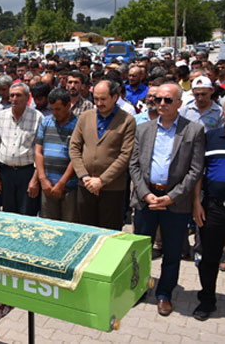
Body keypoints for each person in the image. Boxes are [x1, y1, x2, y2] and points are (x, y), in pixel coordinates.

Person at [129, 82, 205, 317]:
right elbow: (134, 164)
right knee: (141, 251)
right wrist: (145, 193)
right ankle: (139, 289)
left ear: (179, 104)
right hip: (146, 198)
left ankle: (164, 294)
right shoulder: (143, 129)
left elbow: (195, 170)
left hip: (175, 202)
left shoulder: (193, 130)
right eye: (158, 99)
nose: (161, 104)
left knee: (172, 253)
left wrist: (171, 197)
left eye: (167, 100)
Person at [192, 90, 225, 328]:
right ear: (223, 112)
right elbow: (199, 175)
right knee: (209, 259)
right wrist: (196, 204)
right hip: (212, 208)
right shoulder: (211, 138)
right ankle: (207, 300)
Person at [69, 79, 136, 230]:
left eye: (103, 99)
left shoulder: (127, 121)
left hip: (112, 188)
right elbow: (74, 147)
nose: (99, 103)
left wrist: (101, 181)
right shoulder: (85, 117)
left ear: (115, 97)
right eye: (96, 99)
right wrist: (84, 176)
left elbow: (125, 155)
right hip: (85, 185)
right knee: (86, 230)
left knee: (109, 232)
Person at [0, 82, 42, 215]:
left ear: (27, 97)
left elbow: (40, 151)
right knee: (7, 214)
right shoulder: (1, 116)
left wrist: (35, 180)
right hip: (5, 173)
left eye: (18, 95)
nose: (14, 99)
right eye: (12, 95)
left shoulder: (38, 117)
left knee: (26, 213)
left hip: (27, 173)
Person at [35, 88, 79, 222]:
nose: (55, 113)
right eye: (52, 109)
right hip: (47, 186)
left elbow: (76, 157)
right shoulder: (46, 122)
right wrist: (42, 180)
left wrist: (62, 183)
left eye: (58, 109)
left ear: (68, 105)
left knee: (69, 225)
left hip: (69, 186)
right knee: (49, 226)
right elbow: (38, 152)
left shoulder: (78, 124)